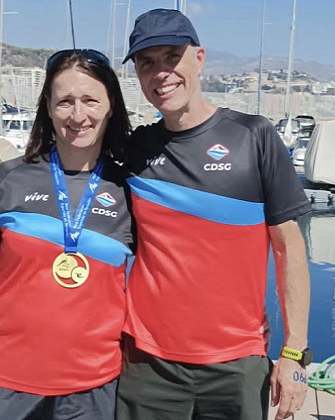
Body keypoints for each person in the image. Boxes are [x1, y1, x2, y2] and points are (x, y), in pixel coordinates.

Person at [116, 9, 312, 420]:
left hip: (237, 363)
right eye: (146, 63)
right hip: (148, 365)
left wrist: (294, 356)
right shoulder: (135, 149)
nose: (161, 73)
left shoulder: (253, 137)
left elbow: (289, 251)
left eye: (171, 57)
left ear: (199, 58)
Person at [0, 49, 134, 420]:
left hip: (93, 388)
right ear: (47, 108)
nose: (78, 115)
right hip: (1, 384)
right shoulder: (5, 180)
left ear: (110, 106)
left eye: (90, 100)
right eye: (64, 101)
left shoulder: (129, 189)